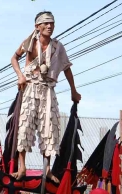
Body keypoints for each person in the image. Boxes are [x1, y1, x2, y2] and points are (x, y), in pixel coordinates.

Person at [10, 11, 81, 182]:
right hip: (30, 87)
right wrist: (20, 75)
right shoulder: (29, 43)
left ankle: (47, 169)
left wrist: (73, 90)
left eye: (52, 23)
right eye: (46, 23)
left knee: (50, 127)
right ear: (38, 26)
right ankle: (22, 167)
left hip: (48, 89)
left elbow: (66, 68)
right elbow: (14, 58)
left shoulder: (58, 46)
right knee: (25, 125)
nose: (50, 26)